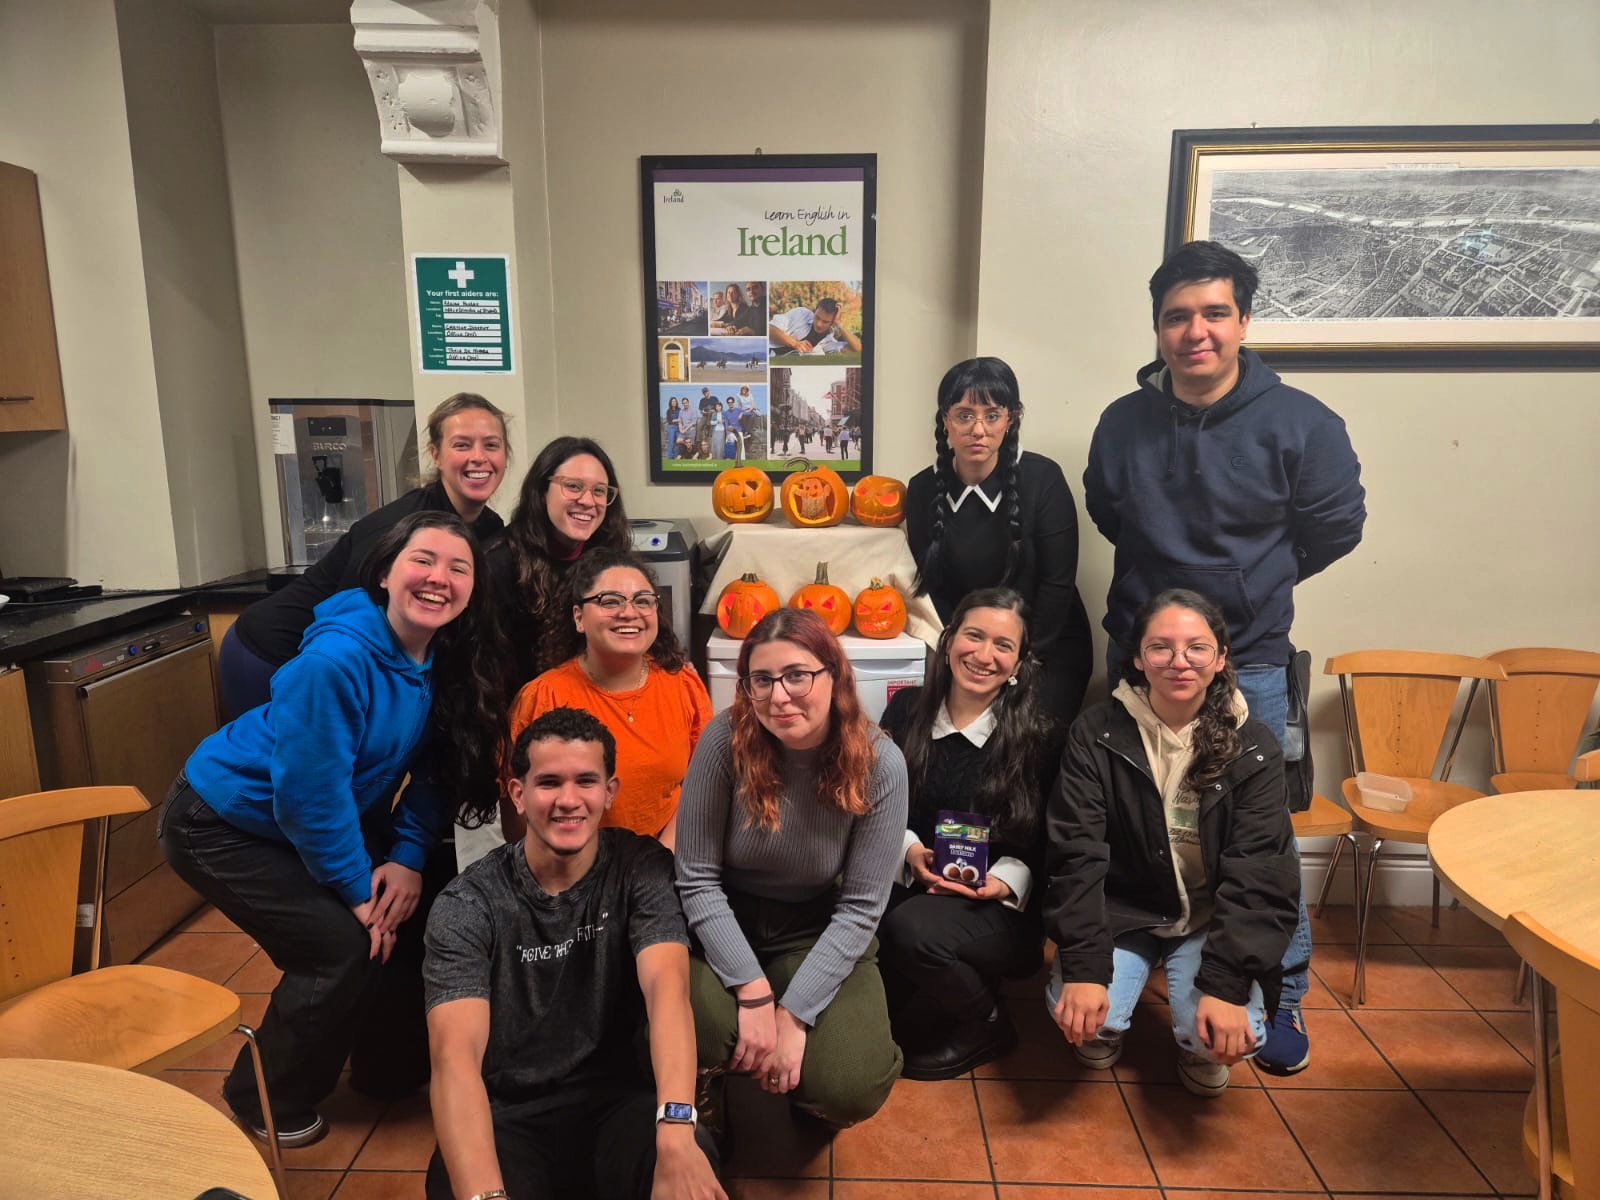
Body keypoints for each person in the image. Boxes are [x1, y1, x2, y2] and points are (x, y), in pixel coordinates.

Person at [1082, 240, 1366, 1076]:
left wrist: (1244, 590)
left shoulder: (1303, 424)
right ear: (1158, 327)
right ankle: (1144, 968)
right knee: (1134, 819)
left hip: (1252, 662)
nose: (1194, 332)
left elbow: (1334, 528)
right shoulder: (1121, 422)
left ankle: (1282, 1000)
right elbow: (1109, 510)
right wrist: (1162, 610)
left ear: (1243, 320)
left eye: (1213, 313)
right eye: (1177, 317)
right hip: (1138, 651)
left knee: (1257, 836)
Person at [159, 511, 506, 1146]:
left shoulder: (441, 656)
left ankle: (386, 1068)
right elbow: (308, 799)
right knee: (340, 946)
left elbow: (437, 768)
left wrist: (404, 857)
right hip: (223, 820)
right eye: (422, 561)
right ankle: (263, 1097)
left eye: (460, 568)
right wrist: (355, 890)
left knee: (416, 908)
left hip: (326, 812)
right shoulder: (336, 662)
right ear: (384, 573)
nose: (439, 579)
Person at [424, 708, 724, 1200]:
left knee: (692, 1167)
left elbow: (668, 994)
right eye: (548, 783)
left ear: (610, 791)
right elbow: (453, 1059)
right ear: (518, 795)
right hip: (509, 1120)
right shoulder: (467, 905)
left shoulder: (642, 870)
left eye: (586, 780)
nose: (568, 800)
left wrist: (676, 1131)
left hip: (619, 1108)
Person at [1045, 588, 1300, 1098]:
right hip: (1124, 912)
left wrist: (1226, 986)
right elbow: (1076, 854)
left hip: (1208, 918)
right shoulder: (1096, 733)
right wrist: (1085, 968)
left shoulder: (1255, 747)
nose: (1179, 661)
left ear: (1221, 658)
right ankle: (1117, 996)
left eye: (1197, 647)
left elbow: (1260, 871)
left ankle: (1195, 1040)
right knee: (1089, 1018)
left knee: (1224, 1036)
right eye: (1160, 647)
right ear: (1138, 658)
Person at [676, 609, 907, 1130]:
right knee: (696, 1026)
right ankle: (704, 1082)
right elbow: (695, 876)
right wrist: (754, 993)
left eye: (797, 675)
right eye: (762, 679)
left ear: (834, 675)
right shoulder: (725, 740)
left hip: (815, 923)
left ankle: (811, 1086)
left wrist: (795, 1012)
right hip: (720, 917)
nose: (779, 696)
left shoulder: (880, 762)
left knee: (850, 1084)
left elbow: (862, 907)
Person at [221, 393, 509, 721]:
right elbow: (349, 620)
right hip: (270, 652)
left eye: (491, 445)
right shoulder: (400, 527)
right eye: (461, 445)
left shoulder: (489, 528)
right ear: (436, 455)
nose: (479, 457)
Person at [877, 588, 1062, 1079]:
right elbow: (878, 806)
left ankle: (988, 1022)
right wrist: (910, 848)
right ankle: (935, 982)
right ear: (949, 639)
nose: (983, 655)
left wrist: (1002, 883)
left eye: (1003, 645)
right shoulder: (905, 712)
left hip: (996, 907)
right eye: (973, 636)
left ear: (1020, 662)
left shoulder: (1040, 737)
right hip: (911, 883)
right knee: (874, 1023)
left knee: (911, 933)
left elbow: (1051, 844)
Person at [906, 356, 1094, 728]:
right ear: (945, 419)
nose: (978, 429)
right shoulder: (922, 489)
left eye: (992, 415)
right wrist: (968, 656)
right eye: (964, 415)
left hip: (1047, 647)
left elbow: (1056, 586)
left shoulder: (1043, 479)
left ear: (1011, 419)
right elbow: (935, 589)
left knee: (1025, 746)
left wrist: (1019, 661)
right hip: (972, 649)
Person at [508, 548, 711, 849]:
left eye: (643, 601)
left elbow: (702, 786)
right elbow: (518, 816)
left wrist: (662, 858)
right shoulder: (543, 697)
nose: (629, 612)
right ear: (579, 617)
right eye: (610, 601)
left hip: (664, 857)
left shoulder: (683, 685)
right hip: (571, 866)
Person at [489, 436, 632, 693]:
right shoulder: (498, 563)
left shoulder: (611, 557)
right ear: (542, 491)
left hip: (591, 698)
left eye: (599, 491)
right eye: (574, 486)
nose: (588, 501)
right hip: (521, 710)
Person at [768, 297, 861, 356]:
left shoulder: (828, 341)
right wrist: (795, 343)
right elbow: (770, 329)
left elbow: (858, 349)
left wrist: (839, 324)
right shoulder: (800, 313)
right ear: (815, 311)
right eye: (817, 317)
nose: (819, 324)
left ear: (832, 323)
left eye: (825, 321)